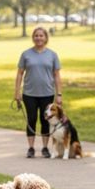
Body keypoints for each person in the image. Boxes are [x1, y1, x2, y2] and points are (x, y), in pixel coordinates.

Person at [14, 26, 63, 158]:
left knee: (45, 120)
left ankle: (45, 148)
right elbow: (19, 74)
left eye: (41, 35)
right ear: (33, 38)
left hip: (47, 93)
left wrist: (59, 94)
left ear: (46, 38)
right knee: (31, 120)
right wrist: (17, 92)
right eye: (36, 35)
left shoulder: (52, 55)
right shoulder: (26, 54)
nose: (39, 38)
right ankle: (31, 148)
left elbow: (57, 76)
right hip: (29, 94)